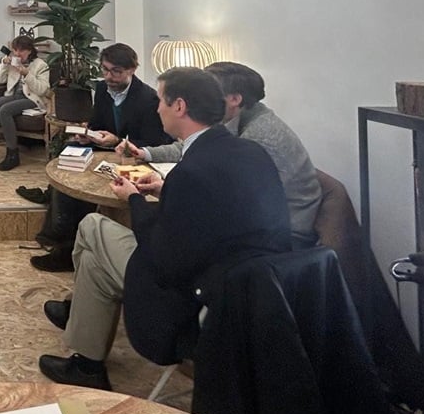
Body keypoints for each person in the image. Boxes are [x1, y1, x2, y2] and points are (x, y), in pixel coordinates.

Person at [37, 67, 291, 390]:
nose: (157, 107)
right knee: (96, 260)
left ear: (180, 107)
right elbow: (214, 214)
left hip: (193, 302)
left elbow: (162, 257)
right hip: (254, 293)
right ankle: (84, 352)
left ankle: (86, 354)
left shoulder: (192, 171)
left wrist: (134, 200)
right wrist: (164, 189)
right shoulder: (249, 152)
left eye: (161, 100)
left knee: (91, 227)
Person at [116, 61, 321, 247]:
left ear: (234, 99)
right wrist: (146, 154)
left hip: (280, 239)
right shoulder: (235, 122)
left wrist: (146, 198)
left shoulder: (257, 139)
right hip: (250, 230)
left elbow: (227, 210)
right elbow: (193, 147)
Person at [30, 43, 173, 272]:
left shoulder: (148, 99)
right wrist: (88, 135)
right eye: (105, 70)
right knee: (67, 168)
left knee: (81, 187)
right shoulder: (104, 91)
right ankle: (58, 237)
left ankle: (67, 249)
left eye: (116, 71)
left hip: (133, 158)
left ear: (132, 69)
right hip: (107, 149)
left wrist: (117, 141)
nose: (109, 76)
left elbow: (155, 143)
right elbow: (97, 125)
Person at [0, 35, 51, 171]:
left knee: (5, 110)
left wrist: (26, 74)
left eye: (21, 51)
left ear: (30, 50)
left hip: (32, 99)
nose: (18, 54)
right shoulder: (13, 62)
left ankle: (12, 155)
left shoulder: (41, 65)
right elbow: (0, 80)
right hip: (14, 96)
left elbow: (43, 90)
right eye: (15, 51)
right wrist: (4, 64)